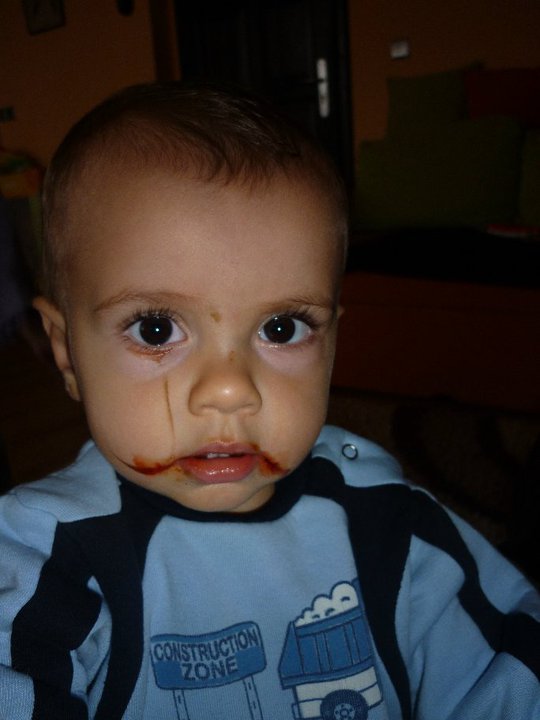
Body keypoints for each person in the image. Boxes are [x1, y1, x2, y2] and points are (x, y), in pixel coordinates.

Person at [0, 82, 538, 720]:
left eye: (281, 328)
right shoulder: (44, 551)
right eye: (156, 329)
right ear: (66, 353)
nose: (231, 390)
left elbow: (514, 653)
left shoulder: (389, 519)